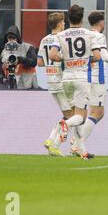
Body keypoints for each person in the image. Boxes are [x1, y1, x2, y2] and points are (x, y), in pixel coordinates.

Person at [69, 11, 108, 156]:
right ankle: (77, 143)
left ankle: (77, 142)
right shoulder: (98, 36)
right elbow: (103, 55)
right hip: (97, 78)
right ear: (101, 23)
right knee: (97, 112)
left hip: (84, 76)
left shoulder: (84, 35)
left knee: (86, 113)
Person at [49, 5, 101, 160]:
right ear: (82, 18)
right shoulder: (90, 34)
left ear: (68, 18)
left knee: (75, 115)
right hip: (81, 78)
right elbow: (97, 56)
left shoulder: (60, 35)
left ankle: (81, 150)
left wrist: (65, 59)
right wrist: (84, 60)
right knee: (80, 117)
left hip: (66, 79)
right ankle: (64, 124)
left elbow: (52, 55)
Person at [38, 12, 76, 157]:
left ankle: (51, 140)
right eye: (63, 22)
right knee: (73, 116)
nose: (65, 24)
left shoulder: (44, 40)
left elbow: (40, 62)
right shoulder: (62, 38)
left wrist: (50, 63)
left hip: (50, 81)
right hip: (62, 81)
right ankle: (54, 142)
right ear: (60, 23)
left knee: (68, 115)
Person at [0, 25, 38, 89]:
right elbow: (0, 69)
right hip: (11, 84)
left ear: (18, 38)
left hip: (28, 84)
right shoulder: (4, 50)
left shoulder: (27, 47)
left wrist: (20, 59)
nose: (11, 40)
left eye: (13, 38)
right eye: (9, 38)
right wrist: (2, 78)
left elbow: (34, 62)